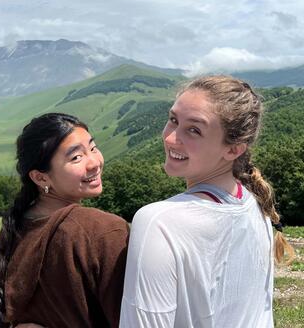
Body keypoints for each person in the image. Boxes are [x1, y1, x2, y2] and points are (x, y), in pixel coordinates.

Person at [119, 76, 294, 328]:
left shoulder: (159, 222)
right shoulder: (256, 205)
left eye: (194, 130)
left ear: (234, 149)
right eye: (173, 120)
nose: (170, 139)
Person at [0, 113, 129, 328]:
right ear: (41, 178)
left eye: (92, 147)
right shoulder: (103, 231)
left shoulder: (13, 229)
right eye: (76, 158)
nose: (94, 162)